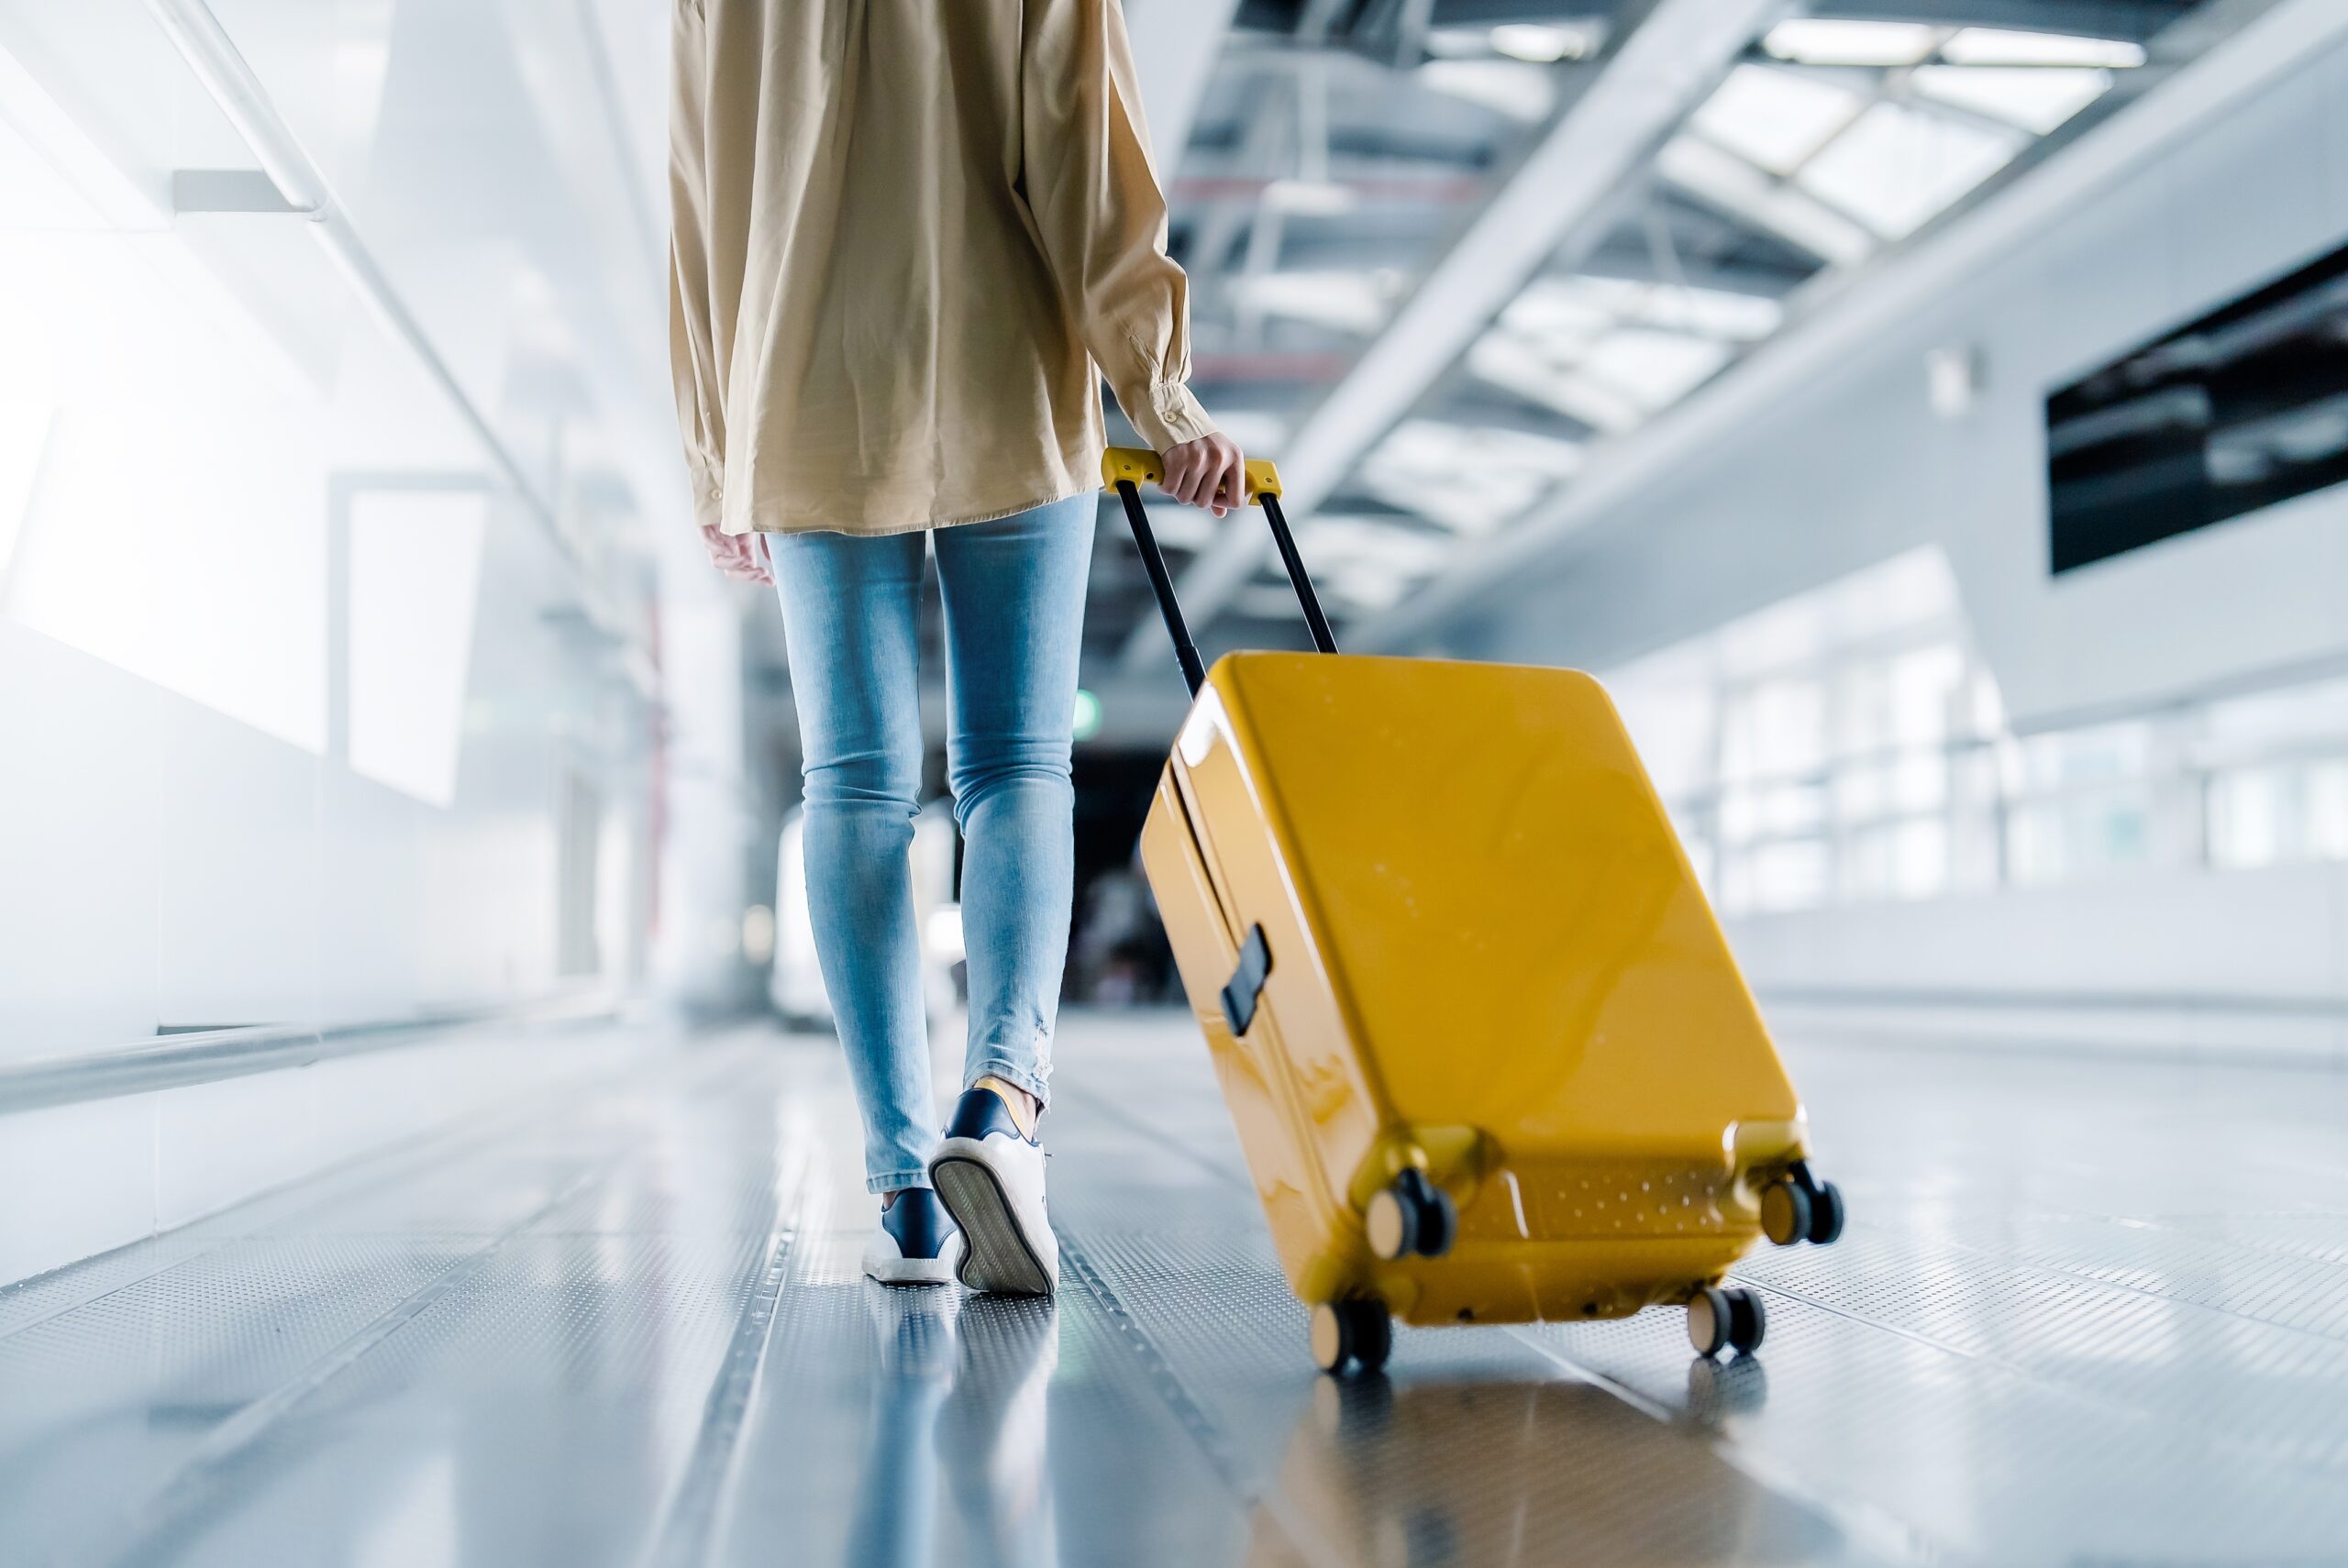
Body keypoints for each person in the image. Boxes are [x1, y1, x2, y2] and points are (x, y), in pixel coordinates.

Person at [667, 0, 1242, 1295]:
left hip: (804, 385)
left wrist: (717, 448)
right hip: (1003, 366)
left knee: (855, 784)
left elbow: (702, 191)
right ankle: (1004, 1100)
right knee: (1014, 767)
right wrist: (1159, 386)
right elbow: (1086, 146)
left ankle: (904, 1195)